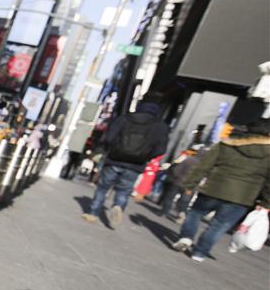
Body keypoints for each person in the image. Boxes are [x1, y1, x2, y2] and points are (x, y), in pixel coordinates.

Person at [171, 119, 270, 262]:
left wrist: (190, 184)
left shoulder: (227, 143)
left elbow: (203, 166)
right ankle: (199, 252)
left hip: (213, 188)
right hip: (242, 197)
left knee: (195, 213)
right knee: (219, 225)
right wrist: (266, 203)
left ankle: (186, 237)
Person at [82, 98, 169, 228]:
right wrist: (146, 156)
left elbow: (109, 138)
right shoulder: (161, 126)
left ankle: (93, 213)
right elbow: (160, 149)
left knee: (103, 187)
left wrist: (111, 150)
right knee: (124, 191)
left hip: (114, 159)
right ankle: (118, 206)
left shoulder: (125, 118)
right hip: (136, 164)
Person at [160, 145, 204, 220]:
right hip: (190, 187)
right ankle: (182, 213)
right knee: (184, 201)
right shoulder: (203, 166)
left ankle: (165, 211)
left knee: (170, 197)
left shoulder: (188, 160)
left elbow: (177, 170)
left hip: (178, 182)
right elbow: (200, 178)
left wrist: (176, 177)